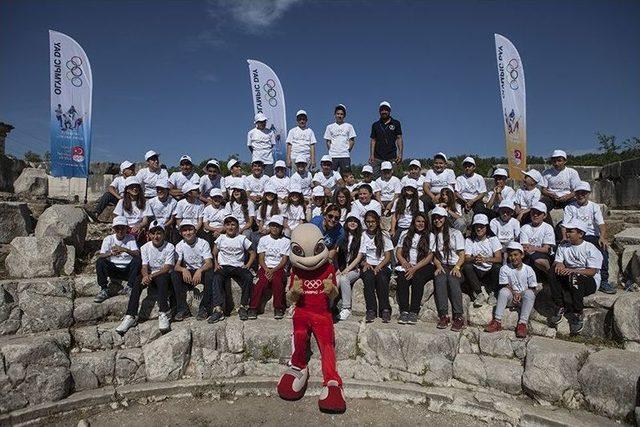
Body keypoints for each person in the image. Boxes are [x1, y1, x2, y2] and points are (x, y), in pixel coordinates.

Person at [116, 220, 175, 335]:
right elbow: (144, 265)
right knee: (137, 281)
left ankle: (164, 312)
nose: (156, 236)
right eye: (153, 233)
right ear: (149, 235)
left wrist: (150, 276)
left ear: (163, 234)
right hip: (150, 275)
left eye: (159, 233)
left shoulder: (170, 247)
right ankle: (130, 315)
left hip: (162, 275)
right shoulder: (145, 247)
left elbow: (167, 268)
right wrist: (145, 276)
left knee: (162, 279)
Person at [547, 220, 603, 335]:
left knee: (575, 277)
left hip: (588, 281)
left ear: (580, 234)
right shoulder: (563, 246)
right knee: (552, 271)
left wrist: (571, 270)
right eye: (567, 231)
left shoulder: (590, 248)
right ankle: (559, 306)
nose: (567, 234)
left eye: (570, 231)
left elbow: (592, 272)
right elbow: (557, 261)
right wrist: (559, 264)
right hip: (570, 278)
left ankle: (578, 312)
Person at [561, 181, 616, 294]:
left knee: (603, 250)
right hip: (576, 235)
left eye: (584, 193)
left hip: (591, 235)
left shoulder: (594, 207)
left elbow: (601, 223)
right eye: (578, 193)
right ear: (575, 194)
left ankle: (604, 281)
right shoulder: (570, 207)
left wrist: (602, 237)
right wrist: (564, 237)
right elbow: (565, 225)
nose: (581, 195)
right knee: (561, 248)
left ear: (588, 194)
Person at [485, 242, 538, 338]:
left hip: (523, 300)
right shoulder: (505, 268)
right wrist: (514, 294)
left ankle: (522, 324)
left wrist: (520, 295)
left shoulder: (528, 269)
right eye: (510, 255)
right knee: (503, 292)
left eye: (516, 255)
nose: (513, 258)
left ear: (522, 255)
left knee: (530, 294)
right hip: (511, 299)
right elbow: (505, 285)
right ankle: (497, 321)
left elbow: (532, 287)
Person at [209, 216, 256, 322]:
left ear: (237, 226)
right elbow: (214, 252)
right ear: (225, 226)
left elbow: (252, 253)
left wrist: (248, 265)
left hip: (238, 266)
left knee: (248, 276)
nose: (230, 227)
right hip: (224, 266)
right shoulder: (221, 238)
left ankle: (243, 306)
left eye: (233, 225)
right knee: (216, 277)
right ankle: (218, 309)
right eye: (228, 225)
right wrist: (216, 264)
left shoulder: (242, 238)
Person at [429, 206, 466, 331]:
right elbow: (434, 255)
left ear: (445, 219)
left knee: (453, 279)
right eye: (435, 218)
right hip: (443, 264)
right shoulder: (433, 235)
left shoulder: (456, 233)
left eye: (440, 218)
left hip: (456, 265)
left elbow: (462, 255)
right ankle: (443, 315)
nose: (437, 220)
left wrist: (457, 267)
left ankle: (458, 316)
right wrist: (438, 265)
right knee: (439, 279)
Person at [395, 212, 435, 325]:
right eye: (418, 221)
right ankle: (404, 311)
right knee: (402, 278)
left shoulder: (430, 236)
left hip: (423, 265)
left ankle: (414, 311)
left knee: (418, 278)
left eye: (423, 222)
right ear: (414, 222)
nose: (420, 224)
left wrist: (415, 268)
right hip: (407, 264)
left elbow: (429, 256)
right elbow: (399, 251)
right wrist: (404, 262)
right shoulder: (405, 233)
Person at [172, 220, 214, 321]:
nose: (188, 233)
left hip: (200, 272)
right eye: (184, 230)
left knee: (210, 274)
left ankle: (204, 307)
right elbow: (176, 266)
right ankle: (182, 309)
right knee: (174, 274)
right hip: (188, 273)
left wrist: (199, 270)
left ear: (195, 231)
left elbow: (209, 263)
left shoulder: (203, 243)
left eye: (190, 230)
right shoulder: (179, 245)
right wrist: (183, 269)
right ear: (181, 233)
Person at [249, 215, 289, 319]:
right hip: (265, 267)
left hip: (278, 268)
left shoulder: (286, 241)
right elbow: (261, 258)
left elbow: (284, 260)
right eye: (272, 226)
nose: (275, 228)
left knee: (277, 282)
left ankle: (278, 307)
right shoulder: (263, 240)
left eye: (277, 226)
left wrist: (273, 270)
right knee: (261, 282)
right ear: (269, 227)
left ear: (281, 228)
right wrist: (267, 270)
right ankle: (253, 307)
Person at [94, 216, 141, 303]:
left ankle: (129, 286)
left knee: (137, 260)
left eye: (122, 228)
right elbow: (101, 255)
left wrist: (125, 249)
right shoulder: (108, 239)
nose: (120, 231)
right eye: (117, 228)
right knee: (100, 262)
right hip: (114, 269)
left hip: (127, 269)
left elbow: (137, 254)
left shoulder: (130, 238)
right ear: (114, 229)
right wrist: (111, 253)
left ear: (126, 228)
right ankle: (104, 289)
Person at [360, 210, 394, 323]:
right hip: (369, 264)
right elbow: (361, 255)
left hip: (382, 264)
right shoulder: (363, 235)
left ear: (377, 222)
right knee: (368, 278)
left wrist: (379, 266)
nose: (370, 224)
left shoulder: (384, 235)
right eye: (368, 221)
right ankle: (371, 309)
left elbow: (388, 256)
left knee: (382, 278)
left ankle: (385, 309)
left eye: (373, 221)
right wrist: (365, 263)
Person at [462, 214, 502, 307]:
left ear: (486, 227)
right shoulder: (470, 240)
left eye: (481, 227)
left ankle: (492, 292)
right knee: (467, 266)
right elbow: (467, 257)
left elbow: (499, 258)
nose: (479, 229)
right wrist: (474, 258)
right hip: (476, 269)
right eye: (477, 227)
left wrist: (486, 259)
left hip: (488, 270)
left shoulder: (493, 239)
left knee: (498, 267)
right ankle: (479, 293)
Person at [336, 214, 364, 321]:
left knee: (344, 278)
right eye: (350, 221)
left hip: (355, 269)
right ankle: (328, 307)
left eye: (355, 221)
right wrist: (338, 269)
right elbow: (336, 254)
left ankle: (346, 308)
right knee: (335, 281)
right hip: (341, 268)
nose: (352, 223)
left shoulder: (361, 237)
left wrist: (347, 270)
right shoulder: (342, 237)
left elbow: (358, 258)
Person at [519, 202, 556, 280]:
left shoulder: (548, 227)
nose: (535, 215)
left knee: (539, 260)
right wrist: (533, 248)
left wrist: (533, 248)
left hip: (544, 255)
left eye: (538, 213)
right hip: (528, 255)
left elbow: (546, 249)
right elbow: (525, 247)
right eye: (533, 213)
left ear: (544, 215)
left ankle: (551, 277)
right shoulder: (525, 227)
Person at [540, 149, 581, 215]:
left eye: (559, 160)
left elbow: (576, 190)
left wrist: (567, 197)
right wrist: (551, 195)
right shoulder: (546, 172)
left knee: (576, 208)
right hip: (551, 198)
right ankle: (549, 225)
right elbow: (543, 190)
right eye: (554, 161)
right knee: (540, 208)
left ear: (565, 161)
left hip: (567, 197)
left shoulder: (572, 172)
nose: (556, 163)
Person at [369, 101, 402, 176]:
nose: (384, 111)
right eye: (382, 110)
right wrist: (371, 155)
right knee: (376, 178)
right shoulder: (375, 125)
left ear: (389, 111)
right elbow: (373, 140)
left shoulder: (396, 123)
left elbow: (399, 138)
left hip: (392, 156)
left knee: (394, 177)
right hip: (377, 157)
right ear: (379, 111)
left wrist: (400, 154)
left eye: (386, 110)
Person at [113, 176, 149, 242]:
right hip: (124, 227)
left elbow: (145, 220)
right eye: (132, 187)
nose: (135, 189)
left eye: (136, 186)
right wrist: (125, 228)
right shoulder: (121, 202)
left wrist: (139, 226)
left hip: (138, 228)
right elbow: (117, 217)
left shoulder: (145, 202)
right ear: (127, 189)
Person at [324, 104, 356, 173]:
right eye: (338, 114)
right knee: (332, 176)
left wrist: (347, 150)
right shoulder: (329, 127)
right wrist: (332, 150)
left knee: (346, 176)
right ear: (335, 115)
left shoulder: (349, 126)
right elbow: (328, 141)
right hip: (333, 156)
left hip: (345, 155)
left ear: (344, 115)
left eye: (341, 114)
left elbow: (352, 140)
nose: (339, 116)